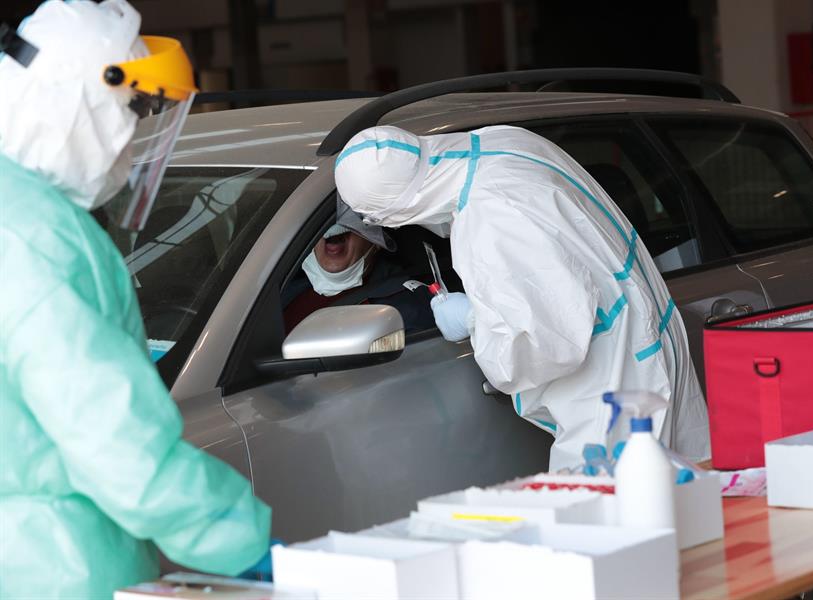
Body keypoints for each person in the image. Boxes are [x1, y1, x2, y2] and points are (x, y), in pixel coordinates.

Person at [0, 2, 270, 597]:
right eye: (130, 110)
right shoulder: (36, 236)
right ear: (80, 103)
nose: (129, 138)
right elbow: (110, 434)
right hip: (55, 567)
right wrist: (234, 537)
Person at [334, 124, 711, 470]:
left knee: (622, 510)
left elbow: (545, 345)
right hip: (638, 341)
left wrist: (473, 320)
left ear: (403, 203)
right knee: (680, 503)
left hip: (612, 386)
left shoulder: (494, 215)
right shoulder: (498, 143)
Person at [282, 195, 435, 332]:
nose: (333, 228)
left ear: (376, 241)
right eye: (324, 224)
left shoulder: (402, 308)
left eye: (351, 219)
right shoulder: (283, 286)